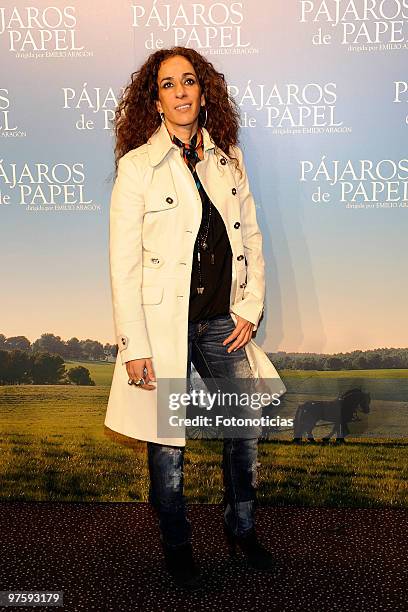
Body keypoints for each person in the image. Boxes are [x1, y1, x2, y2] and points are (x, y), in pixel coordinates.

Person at [105, 46, 286, 590]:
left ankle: (242, 529)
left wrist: (250, 308)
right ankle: (178, 543)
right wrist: (134, 345)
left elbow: (250, 236)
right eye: (167, 84)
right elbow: (123, 264)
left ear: (204, 92)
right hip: (160, 328)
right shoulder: (136, 167)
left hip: (219, 322)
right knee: (167, 439)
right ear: (154, 99)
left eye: (189, 81)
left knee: (245, 426)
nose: (180, 91)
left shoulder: (227, 158)